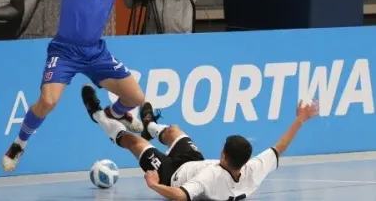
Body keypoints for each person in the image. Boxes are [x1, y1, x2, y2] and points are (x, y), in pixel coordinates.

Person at [1, 0, 164, 172]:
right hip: (65, 51)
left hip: (95, 51)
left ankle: (115, 115)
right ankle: (19, 143)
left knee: (136, 98)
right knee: (48, 100)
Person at [81, 84, 319, 201]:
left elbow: (180, 196)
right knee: (174, 131)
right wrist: (300, 119)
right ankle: (149, 125)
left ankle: (97, 115)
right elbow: (279, 148)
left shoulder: (211, 179)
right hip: (194, 163)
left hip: (169, 174)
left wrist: (154, 184)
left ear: (224, 155)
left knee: (131, 141)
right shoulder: (252, 170)